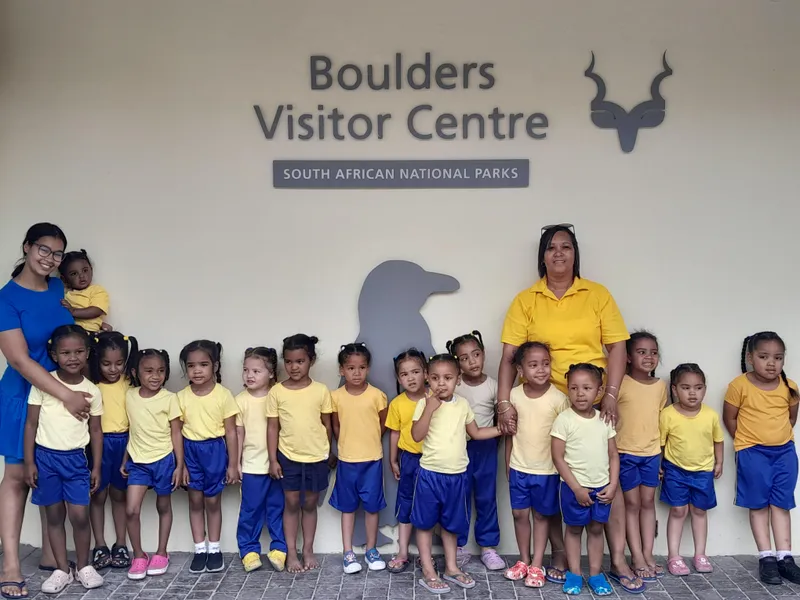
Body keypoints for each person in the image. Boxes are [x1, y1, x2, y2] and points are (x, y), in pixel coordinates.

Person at [497, 224, 638, 592]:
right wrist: (503, 402)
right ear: (541, 256)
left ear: (575, 254)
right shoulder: (526, 299)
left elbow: (618, 348)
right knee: (551, 479)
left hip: (591, 400)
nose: (558, 253)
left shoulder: (598, 294)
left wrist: (609, 394)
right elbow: (510, 356)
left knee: (607, 476)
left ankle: (618, 559)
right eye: (551, 248)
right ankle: (560, 554)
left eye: (566, 247)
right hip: (544, 402)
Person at [0, 223, 92, 600]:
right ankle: (9, 563)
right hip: (23, 396)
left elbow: (68, 339)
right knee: (19, 476)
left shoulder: (58, 289)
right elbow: (20, 361)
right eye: (43, 249)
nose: (49, 259)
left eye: (57, 254)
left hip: (59, 398)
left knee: (49, 468)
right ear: (27, 247)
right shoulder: (6, 298)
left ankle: (51, 557)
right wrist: (66, 396)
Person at [410, 353, 503, 595]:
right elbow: (416, 436)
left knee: (452, 524)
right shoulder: (424, 403)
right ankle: (429, 570)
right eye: (435, 378)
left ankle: (451, 567)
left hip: (457, 475)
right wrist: (430, 409)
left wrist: (500, 428)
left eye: (448, 378)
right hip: (430, 474)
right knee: (425, 523)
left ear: (457, 380)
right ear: (428, 380)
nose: (441, 383)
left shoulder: (462, 405)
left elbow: (476, 433)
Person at [24, 325, 105, 593]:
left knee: (80, 516)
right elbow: (31, 425)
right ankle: (62, 569)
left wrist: (96, 467)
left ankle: (83, 566)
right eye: (66, 352)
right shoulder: (43, 384)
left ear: (87, 353)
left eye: (79, 351)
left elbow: (95, 430)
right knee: (54, 515)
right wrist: (29, 462)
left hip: (76, 461)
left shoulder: (92, 390)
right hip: (46, 459)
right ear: (55, 355)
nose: (73, 357)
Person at [723, 332, 800, 585]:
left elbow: (791, 418)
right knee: (758, 504)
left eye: (778, 357)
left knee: (781, 503)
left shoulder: (790, 387)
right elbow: (730, 418)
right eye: (764, 356)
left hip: (784, 452)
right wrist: (746, 443)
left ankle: (785, 558)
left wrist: (779, 439)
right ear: (750, 357)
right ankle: (766, 558)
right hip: (752, 452)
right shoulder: (738, 386)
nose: (771, 363)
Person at [504, 342, 569, 588]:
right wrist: (507, 462)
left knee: (542, 516)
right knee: (519, 514)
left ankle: (537, 564)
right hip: (520, 467)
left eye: (545, 363)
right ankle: (523, 560)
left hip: (547, 471)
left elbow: (565, 439)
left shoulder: (559, 399)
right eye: (533, 365)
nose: (541, 369)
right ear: (521, 369)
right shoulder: (513, 395)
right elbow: (510, 435)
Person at [266, 334, 333, 574]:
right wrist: (273, 459)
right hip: (288, 456)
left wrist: (329, 452)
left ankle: (308, 550)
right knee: (291, 503)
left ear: (311, 361)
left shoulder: (321, 390)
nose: (294, 367)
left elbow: (327, 425)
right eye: (289, 361)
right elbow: (273, 427)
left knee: (310, 503)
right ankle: (291, 553)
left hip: (317, 457)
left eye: (300, 361)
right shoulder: (277, 392)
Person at [551, 363, 618, 596]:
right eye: (574, 388)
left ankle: (596, 575)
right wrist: (577, 488)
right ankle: (575, 574)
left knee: (596, 529)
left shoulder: (604, 420)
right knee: (574, 530)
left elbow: (613, 455)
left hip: (601, 488)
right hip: (573, 488)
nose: (580, 393)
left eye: (587, 388)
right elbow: (558, 458)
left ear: (598, 391)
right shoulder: (564, 420)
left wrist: (613, 485)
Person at [177, 340, 240, 574]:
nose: (197, 370)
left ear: (215, 366)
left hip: (214, 451)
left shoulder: (224, 396)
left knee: (212, 501)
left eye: (203, 364)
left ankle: (214, 548)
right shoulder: (181, 397)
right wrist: (180, 465)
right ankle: (199, 549)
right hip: (190, 451)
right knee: (195, 501)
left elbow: (232, 431)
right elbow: (176, 432)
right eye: (191, 365)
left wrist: (233, 464)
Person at [121, 349, 183, 580]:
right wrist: (125, 458)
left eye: (160, 371)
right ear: (136, 372)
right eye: (149, 371)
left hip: (164, 460)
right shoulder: (129, 396)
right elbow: (131, 429)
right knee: (131, 509)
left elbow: (176, 433)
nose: (155, 376)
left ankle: (161, 552)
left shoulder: (169, 398)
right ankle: (138, 555)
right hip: (138, 462)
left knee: (163, 506)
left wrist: (179, 465)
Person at [330, 343, 388, 574]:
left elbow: (383, 423)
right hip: (347, 461)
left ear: (368, 368)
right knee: (348, 507)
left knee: (372, 508)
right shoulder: (335, 397)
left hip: (372, 460)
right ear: (342, 370)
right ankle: (348, 552)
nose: (357, 372)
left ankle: (371, 550)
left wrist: (370, 440)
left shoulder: (377, 396)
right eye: (351, 368)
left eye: (362, 367)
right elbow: (335, 425)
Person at [660, 363, 723, 576]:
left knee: (699, 510)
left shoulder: (711, 415)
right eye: (686, 387)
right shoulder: (667, 414)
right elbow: (661, 442)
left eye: (698, 387)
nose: (692, 393)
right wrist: (659, 465)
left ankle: (700, 554)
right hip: (675, 470)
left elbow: (718, 440)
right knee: (678, 511)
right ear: (675, 390)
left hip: (703, 471)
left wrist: (719, 462)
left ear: (705, 389)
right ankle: (674, 556)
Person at [448, 330, 503, 570]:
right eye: (464, 357)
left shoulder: (494, 387)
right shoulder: (455, 386)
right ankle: (458, 546)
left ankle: (488, 548)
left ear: (483, 355)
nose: (472, 361)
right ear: (457, 362)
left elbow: (500, 419)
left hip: (486, 448)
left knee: (486, 497)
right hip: (458, 448)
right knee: (458, 496)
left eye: (476, 354)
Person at [616, 332, 667, 581]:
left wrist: (662, 457)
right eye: (642, 352)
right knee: (632, 504)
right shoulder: (621, 383)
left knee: (648, 503)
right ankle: (635, 555)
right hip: (625, 453)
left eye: (654, 352)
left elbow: (661, 421)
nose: (649, 357)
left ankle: (648, 554)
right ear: (627, 357)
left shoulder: (660, 386)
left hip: (652, 454)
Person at [87, 331, 138, 571]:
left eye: (119, 363)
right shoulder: (91, 384)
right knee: (97, 496)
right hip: (97, 444)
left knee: (119, 495)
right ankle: (99, 545)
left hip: (124, 444)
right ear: (97, 360)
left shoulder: (129, 382)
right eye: (106, 363)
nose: (113, 369)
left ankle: (120, 544)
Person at [235, 347, 287, 573]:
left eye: (256, 370)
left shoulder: (279, 396)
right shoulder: (240, 400)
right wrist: (235, 464)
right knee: (250, 510)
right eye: (246, 370)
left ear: (272, 373)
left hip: (278, 465)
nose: (249, 375)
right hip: (252, 466)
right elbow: (238, 434)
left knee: (277, 508)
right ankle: (248, 551)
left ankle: (279, 549)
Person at [385, 349, 427, 574]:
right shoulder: (397, 404)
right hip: (409, 460)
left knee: (429, 506)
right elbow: (393, 433)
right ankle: (402, 552)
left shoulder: (434, 400)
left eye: (416, 372)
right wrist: (393, 460)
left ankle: (425, 554)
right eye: (404, 374)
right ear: (398, 378)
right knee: (406, 504)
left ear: (426, 373)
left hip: (433, 461)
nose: (411, 378)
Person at [58, 250, 110, 333]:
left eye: (85, 270)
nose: (81, 276)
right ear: (64, 279)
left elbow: (96, 310)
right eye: (74, 273)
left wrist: (73, 311)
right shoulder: (65, 294)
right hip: (70, 333)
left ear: (91, 270)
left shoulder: (96, 290)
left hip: (91, 332)